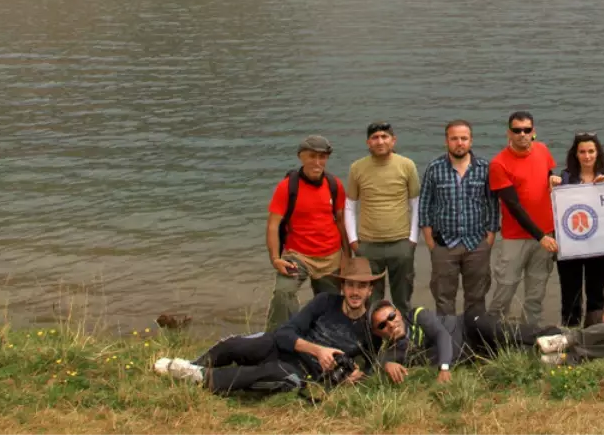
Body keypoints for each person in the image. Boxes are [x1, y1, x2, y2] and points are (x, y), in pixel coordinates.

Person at [154, 258, 382, 394]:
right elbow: (284, 332)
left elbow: (374, 365)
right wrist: (317, 350)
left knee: (265, 373)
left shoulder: (371, 328)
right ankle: (195, 366)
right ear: (342, 287)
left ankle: (200, 377)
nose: (355, 292)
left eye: (362, 286)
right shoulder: (325, 301)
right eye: (350, 285)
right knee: (236, 345)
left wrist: (357, 377)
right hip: (285, 347)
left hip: (303, 373)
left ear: (370, 290)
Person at [265, 135, 348, 330]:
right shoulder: (287, 187)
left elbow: (341, 222)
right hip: (297, 256)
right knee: (283, 293)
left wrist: (347, 257)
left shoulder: (334, 185)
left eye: (322, 157)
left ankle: (322, 341)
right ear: (301, 156)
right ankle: (279, 338)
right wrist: (275, 259)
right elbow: (272, 225)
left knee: (331, 306)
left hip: (330, 257)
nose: (317, 162)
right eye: (312, 156)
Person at [419, 119, 500, 315]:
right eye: (454, 138)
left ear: (471, 141)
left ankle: (475, 339)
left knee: (476, 297)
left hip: (477, 243)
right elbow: (424, 206)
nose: (459, 143)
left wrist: (489, 238)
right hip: (444, 243)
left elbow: (493, 205)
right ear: (446, 141)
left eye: (464, 138)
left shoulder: (484, 168)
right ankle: (449, 339)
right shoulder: (434, 168)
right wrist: (430, 242)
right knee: (444, 297)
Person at [368, 301, 555, 383]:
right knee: (518, 353)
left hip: (469, 325)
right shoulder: (393, 352)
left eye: (392, 316)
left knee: (505, 333)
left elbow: (441, 335)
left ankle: (553, 333)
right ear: (378, 332)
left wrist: (444, 369)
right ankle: (560, 349)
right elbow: (372, 371)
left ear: (398, 312)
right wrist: (386, 365)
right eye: (382, 325)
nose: (391, 324)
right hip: (476, 353)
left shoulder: (417, 315)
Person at [488, 110, 558, 327]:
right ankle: (492, 337)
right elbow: (514, 207)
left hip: (546, 234)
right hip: (516, 238)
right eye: (517, 130)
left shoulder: (543, 150)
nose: (522, 135)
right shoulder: (499, 164)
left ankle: (529, 336)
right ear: (509, 133)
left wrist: (553, 179)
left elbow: (547, 176)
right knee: (505, 290)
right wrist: (540, 237)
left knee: (536, 293)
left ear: (533, 132)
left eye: (527, 130)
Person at [346, 122, 421, 314]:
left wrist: (412, 239)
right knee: (370, 298)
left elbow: (415, 203)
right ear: (368, 142)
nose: (380, 141)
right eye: (375, 138)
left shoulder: (407, 165)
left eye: (384, 137)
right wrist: (354, 241)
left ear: (393, 140)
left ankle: (404, 334)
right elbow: (350, 206)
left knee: (402, 296)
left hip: (401, 243)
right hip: (368, 244)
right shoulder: (357, 168)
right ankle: (373, 339)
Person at [550, 133, 604, 327]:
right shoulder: (565, 176)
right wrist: (552, 189)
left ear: (598, 153)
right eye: (582, 152)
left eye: (591, 151)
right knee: (570, 292)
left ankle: (594, 332)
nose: (587, 156)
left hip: (598, 243)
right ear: (576, 154)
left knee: (596, 292)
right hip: (571, 243)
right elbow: (557, 209)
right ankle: (570, 331)